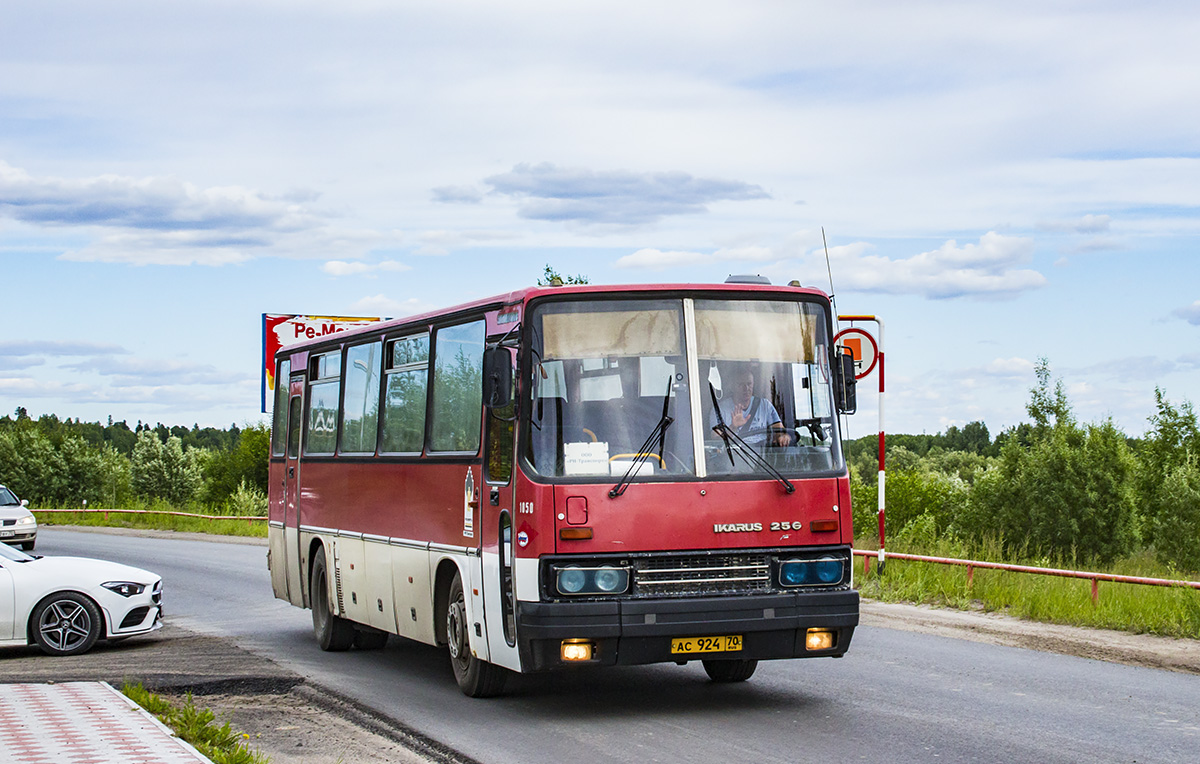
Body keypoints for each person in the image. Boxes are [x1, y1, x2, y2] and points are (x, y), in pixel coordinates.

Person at [710, 366, 790, 447]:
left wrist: (783, 437)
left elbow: (779, 430)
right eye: (741, 385)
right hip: (735, 456)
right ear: (732, 387)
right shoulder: (719, 409)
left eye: (749, 384)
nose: (746, 388)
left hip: (762, 455)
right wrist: (733, 427)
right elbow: (716, 440)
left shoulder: (765, 405)